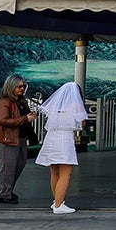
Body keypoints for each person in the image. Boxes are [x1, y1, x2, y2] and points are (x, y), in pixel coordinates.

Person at [37, 82, 84, 215]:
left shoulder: (53, 104)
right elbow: (81, 123)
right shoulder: (76, 105)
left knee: (55, 173)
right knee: (65, 174)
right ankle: (59, 205)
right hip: (64, 139)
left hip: (51, 138)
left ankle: (56, 200)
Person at [0, 75, 32, 204]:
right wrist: (25, 119)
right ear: (11, 87)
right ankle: (5, 193)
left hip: (20, 137)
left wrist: (28, 116)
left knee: (20, 164)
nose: (22, 89)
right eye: (19, 86)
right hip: (8, 139)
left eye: (23, 86)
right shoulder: (4, 101)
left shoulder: (20, 100)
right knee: (8, 167)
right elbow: (3, 120)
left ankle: (7, 189)